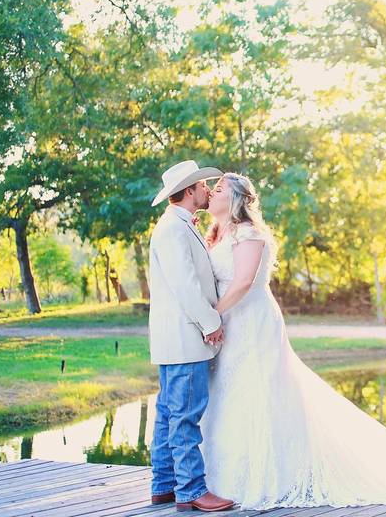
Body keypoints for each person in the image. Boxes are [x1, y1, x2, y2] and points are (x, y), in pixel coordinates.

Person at [199, 172, 386, 510]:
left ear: (236, 199)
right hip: (228, 322)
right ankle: (216, 479)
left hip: (250, 322)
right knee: (225, 391)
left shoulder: (249, 234)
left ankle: (264, 475)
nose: (211, 192)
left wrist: (212, 316)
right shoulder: (214, 234)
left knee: (254, 391)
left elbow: (242, 283)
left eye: (218, 188)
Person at [147, 160, 236, 513]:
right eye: (202, 186)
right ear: (188, 192)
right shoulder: (172, 229)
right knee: (184, 415)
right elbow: (185, 286)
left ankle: (164, 486)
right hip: (184, 337)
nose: (207, 189)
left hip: (177, 339)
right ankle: (191, 491)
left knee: (169, 413)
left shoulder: (181, 225)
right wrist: (211, 322)